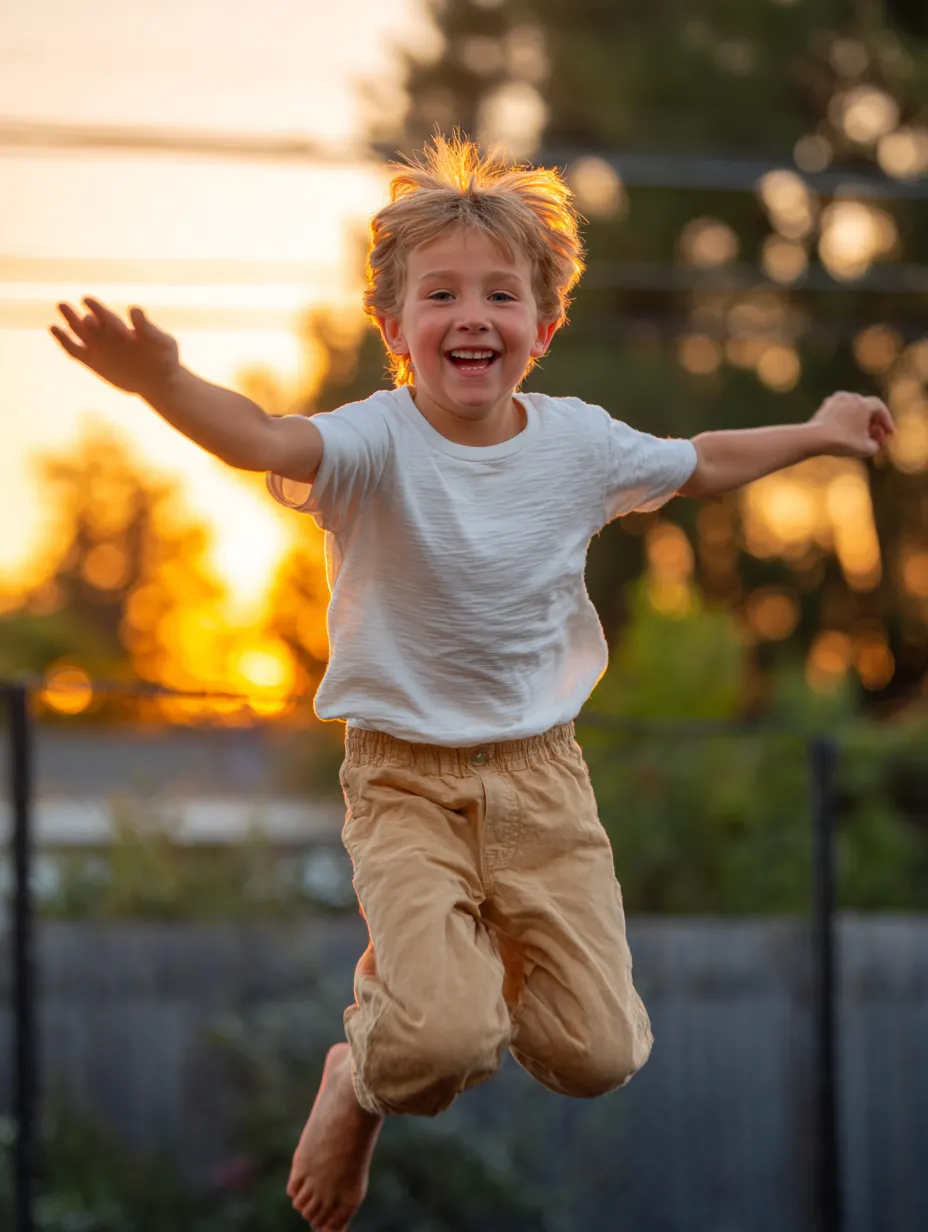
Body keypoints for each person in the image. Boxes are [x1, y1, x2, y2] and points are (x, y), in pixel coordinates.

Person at [50, 135, 894, 1232]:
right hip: (404, 781)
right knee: (441, 1040)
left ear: (542, 326)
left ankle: (442, 962)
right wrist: (163, 379)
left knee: (598, 1053)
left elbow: (703, 456)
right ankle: (356, 1076)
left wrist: (818, 434)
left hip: (545, 783)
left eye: (501, 293)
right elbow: (258, 432)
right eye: (439, 293)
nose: (472, 314)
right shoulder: (372, 442)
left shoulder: (581, 446)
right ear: (395, 329)